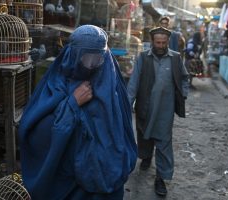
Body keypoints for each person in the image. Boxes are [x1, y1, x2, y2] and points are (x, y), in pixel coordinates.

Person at [18, 25, 137, 200]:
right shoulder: (55, 84)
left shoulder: (111, 84)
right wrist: (71, 104)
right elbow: (35, 131)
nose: (91, 66)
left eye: (97, 59)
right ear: (72, 55)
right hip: (65, 184)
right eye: (85, 59)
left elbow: (122, 136)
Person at [127, 26, 189, 197]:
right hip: (145, 106)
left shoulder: (176, 58)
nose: (161, 46)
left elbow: (184, 77)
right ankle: (146, 156)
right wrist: (127, 103)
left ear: (168, 42)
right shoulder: (143, 58)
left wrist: (183, 94)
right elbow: (134, 82)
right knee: (144, 134)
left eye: (164, 42)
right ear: (152, 42)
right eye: (158, 42)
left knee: (163, 142)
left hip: (165, 110)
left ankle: (161, 178)